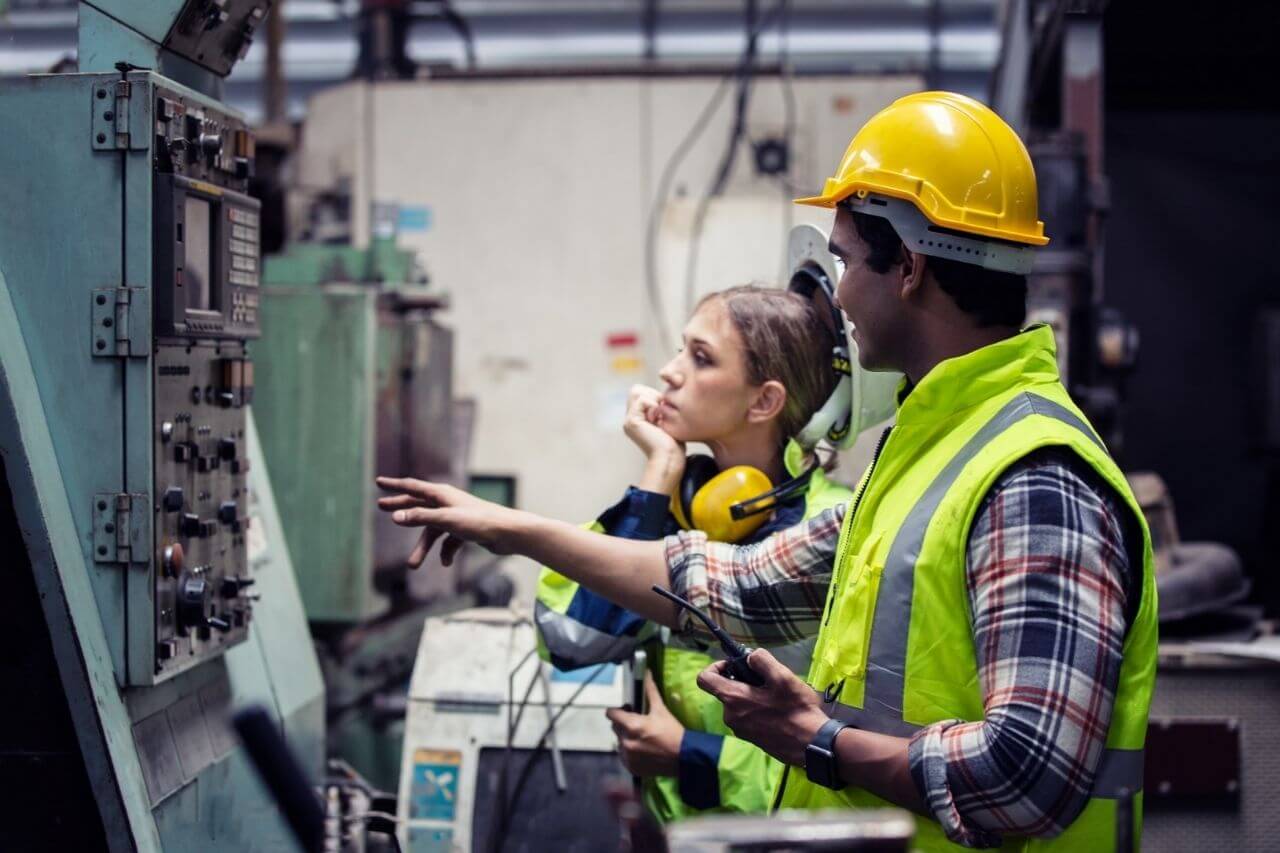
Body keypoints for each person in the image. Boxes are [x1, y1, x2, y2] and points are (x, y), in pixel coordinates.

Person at [376, 91, 1157, 851]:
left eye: (847, 260)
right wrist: (506, 528)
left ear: (910, 266)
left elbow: (1028, 775)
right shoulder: (929, 451)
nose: (839, 294)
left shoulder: (1032, 477)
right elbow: (736, 583)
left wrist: (816, 735)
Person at [536, 284, 855, 823]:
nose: (669, 371)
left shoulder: (833, 535)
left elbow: (846, 760)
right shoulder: (675, 510)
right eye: (681, 349)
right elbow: (572, 641)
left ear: (764, 401)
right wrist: (658, 476)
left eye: (700, 357)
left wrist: (690, 756)